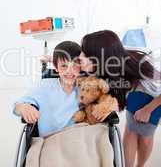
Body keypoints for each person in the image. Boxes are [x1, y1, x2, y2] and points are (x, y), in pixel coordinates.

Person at [79, 30, 161, 167]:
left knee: (145, 134)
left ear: (99, 57)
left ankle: (140, 165)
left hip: (155, 95)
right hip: (134, 89)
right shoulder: (109, 65)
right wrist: (57, 60)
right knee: (131, 127)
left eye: (85, 53)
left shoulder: (145, 67)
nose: (80, 56)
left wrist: (148, 109)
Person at [13, 41, 82, 137]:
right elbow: (16, 107)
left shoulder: (85, 88)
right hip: (50, 141)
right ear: (55, 67)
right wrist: (23, 107)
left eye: (75, 65)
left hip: (77, 138)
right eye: (63, 66)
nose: (69, 71)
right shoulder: (45, 86)